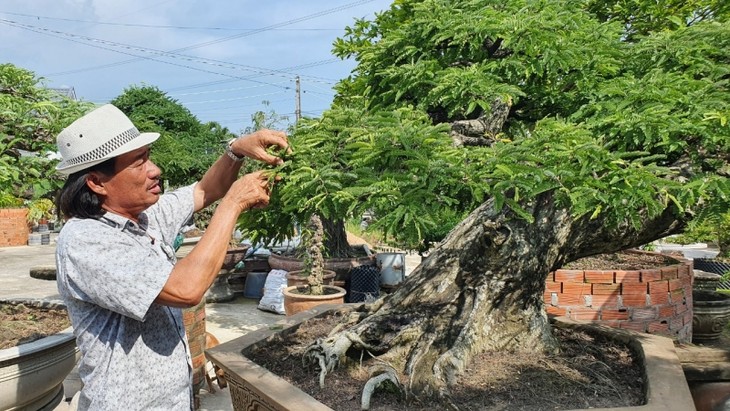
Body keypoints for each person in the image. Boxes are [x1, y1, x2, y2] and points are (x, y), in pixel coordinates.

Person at [53, 104, 288, 410]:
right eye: (139, 163)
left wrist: (237, 150)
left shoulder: (145, 217)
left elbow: (205, 189)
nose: (155, 170)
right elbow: (186, 288)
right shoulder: (85, 241)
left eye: (148, 157)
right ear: (97, 182)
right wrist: (233, 204)